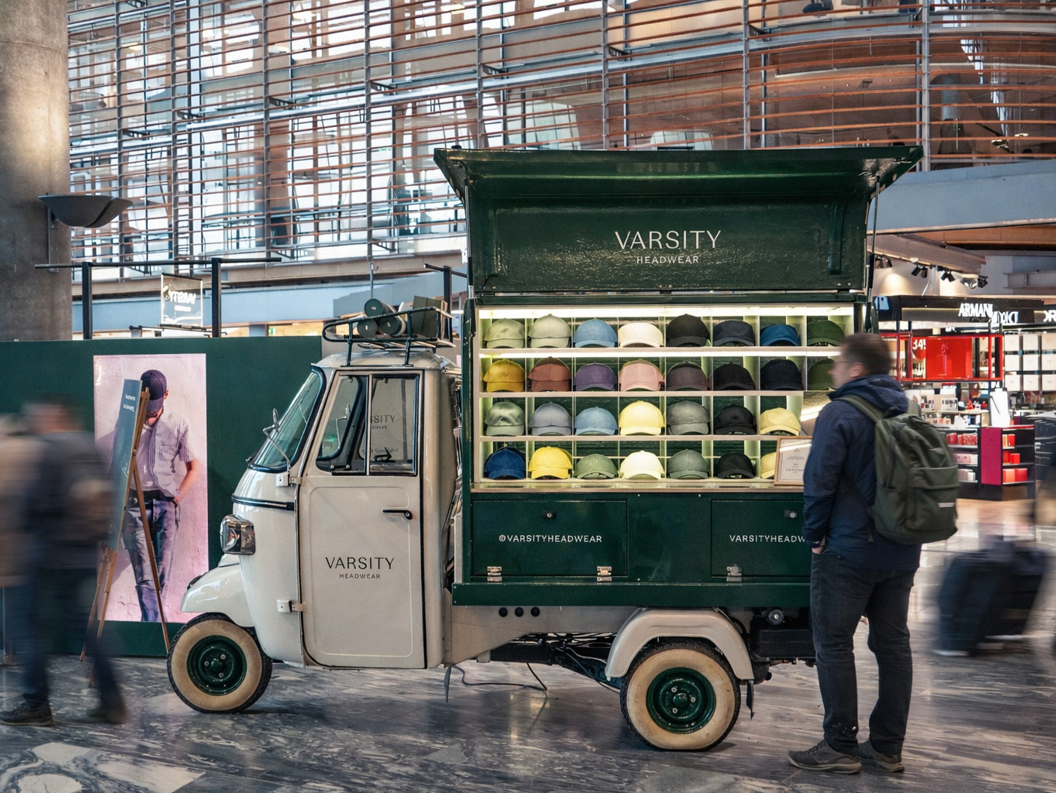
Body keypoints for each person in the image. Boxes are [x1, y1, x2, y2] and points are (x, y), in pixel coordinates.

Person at [788, 333, 920, 775]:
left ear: (857, 369)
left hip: (848, 549)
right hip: (901, 547)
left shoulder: (839, 412)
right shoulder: (908, 406)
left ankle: (840, 744)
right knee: (893, 644)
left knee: (833, 642)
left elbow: (819, 481)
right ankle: (886, 747)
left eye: (840, 363)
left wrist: (814, 535)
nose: (835, 371)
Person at [0, 394, 125, 727]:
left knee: (30, 631)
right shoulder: (90, 448)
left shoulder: (48, 451)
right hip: (83, 556)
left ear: (53, 414)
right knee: (88, 631)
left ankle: (36, 705)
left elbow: (32, 502)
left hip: (46, 558)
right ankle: (113, 702)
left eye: (38, 413)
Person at [121, 369, 201, 622]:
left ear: (166, 395)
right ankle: (153, 627)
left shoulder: (178, 423)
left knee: (162, 573)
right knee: (145, 573)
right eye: (147, 404)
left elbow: (194, 468)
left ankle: (153, 626)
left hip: (166, 505)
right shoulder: (128, 422)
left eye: (155, 405)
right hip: (135, 504)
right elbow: (117, 465)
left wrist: (176, 499)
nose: (151, 411)